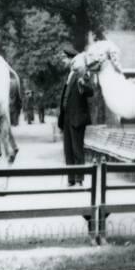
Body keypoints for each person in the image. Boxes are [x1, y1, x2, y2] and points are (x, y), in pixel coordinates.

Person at [58, 46, 94, 187]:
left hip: (77, 118)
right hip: (67, 118)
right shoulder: (69, 75)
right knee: (68, 151)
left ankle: (79, 179)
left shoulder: (81, 72)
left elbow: (90, 92)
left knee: (77, 150)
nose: (62, 61)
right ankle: (71, 179)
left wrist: (84, 85)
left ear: (70, 59)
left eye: (63, 59)